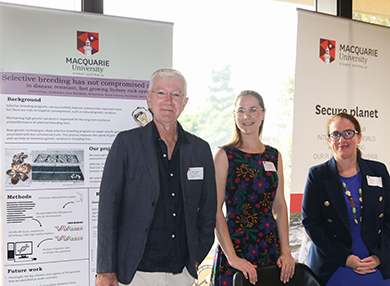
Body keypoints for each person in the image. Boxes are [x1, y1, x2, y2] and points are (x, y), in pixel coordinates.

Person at [95, 68, 217, 286]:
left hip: (181, 274)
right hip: (135, 273)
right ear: (149, 99)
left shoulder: (200, 149)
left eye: (176, 94)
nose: (168, 101)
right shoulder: (126, 144)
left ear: (185, 102)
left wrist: (196, 258)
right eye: (161, 93)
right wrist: (106, 270)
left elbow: (208, 211)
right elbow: (108, 210)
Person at [211, 90, 295, 286]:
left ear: (263, 113)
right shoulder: (224, 155)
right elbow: (214, 209)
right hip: (235, 248)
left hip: (269, 248)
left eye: (253, 110)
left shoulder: (274, 156)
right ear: (234, 115)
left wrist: (286, 251)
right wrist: (232, 257)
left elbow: (280, 206)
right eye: (240, 110)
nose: (246, 116)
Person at [302, 112, 390, 285]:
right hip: (334, 263)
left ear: (359, 137)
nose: (342, 139)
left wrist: (381, 256)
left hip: (378, 263)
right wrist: (345, 258)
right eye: (335, 134)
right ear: (329, 141)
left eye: (348, 133)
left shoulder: (378, 171)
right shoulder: (317, 175)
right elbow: (311, 223)